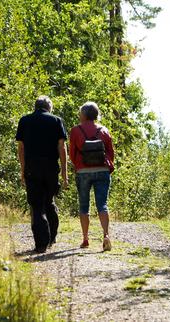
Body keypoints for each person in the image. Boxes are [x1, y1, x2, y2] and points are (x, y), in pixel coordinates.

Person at [16, 96, 69, 253]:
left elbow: (21, 149)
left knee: (37, 205)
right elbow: (62, 148)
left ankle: (41, 245)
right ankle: (51, 238)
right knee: (49, 202)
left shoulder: (24, 121)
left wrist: (23, 170)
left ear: (35, 106)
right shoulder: (56, 121)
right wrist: (64, 174)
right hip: (51, 167)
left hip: (32, 167)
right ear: (49, 107)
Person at [69, 102, 115, 251]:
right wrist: (107, 167)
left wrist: (79, 166)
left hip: (83, 172)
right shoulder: (104, 130)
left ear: (83, 114)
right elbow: (110, 152)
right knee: (102, 204)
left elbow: (72, 153)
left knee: (84, 205)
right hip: (102, 170)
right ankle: (106, 235)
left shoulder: (75, 130)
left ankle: (85, 238)